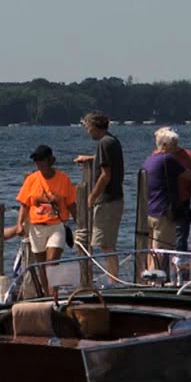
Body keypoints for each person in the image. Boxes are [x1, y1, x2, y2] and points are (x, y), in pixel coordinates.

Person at [142, 128, 191, 272]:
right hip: (165, 211)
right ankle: (157, 280)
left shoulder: (150, 159)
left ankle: (156, 276)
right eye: (174, 144)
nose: (177, 147)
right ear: (165, 145)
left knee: (153, 248)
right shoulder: (168, 158)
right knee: (163, 249)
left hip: (151, 210)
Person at [14, 144, 77, 296]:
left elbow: (71, 204)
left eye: (42, 160)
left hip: (56, 225)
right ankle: (47, 295)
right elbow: (24, 204)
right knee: (41, 265)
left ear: (50, 160)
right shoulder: (31, 180)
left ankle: (53, 294)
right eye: (36, 161)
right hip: (36, 227)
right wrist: (19, 224)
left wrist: (80, 223)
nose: (39, 163)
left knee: (52, 262)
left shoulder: (63, 179)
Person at [73, 112, 124, 278]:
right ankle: (113, 278)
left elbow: (105, 175)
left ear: (95, 127)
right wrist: (90, 159)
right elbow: (106, 160)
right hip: (115, 198)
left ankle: (114, 281)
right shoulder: (111, 141)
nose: (88, 131)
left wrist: (92, 196)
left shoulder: (103, 143)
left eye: (88, 127)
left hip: (107, 200)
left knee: (106, 244)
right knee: (106, 243)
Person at [169, 129, 191, 273]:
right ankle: (161, 276)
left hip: (182, 203)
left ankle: (181, 277)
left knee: (180, 242)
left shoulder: (187, 156)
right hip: (161, 205)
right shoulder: (158, 156)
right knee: (160, 242)